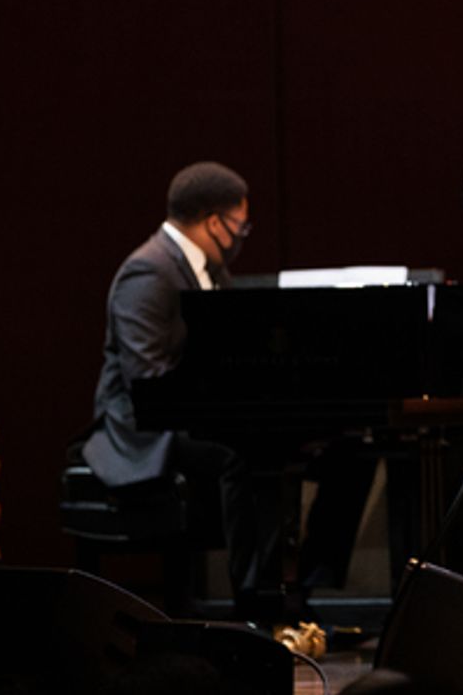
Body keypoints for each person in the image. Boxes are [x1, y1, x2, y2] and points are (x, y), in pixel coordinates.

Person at [80, 161, 370, 618]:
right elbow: (146, 379)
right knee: (240, 452)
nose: (241, 236)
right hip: (143, 429)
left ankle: (308, 587)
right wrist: (225, 407)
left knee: (350, 448)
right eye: (240, 225)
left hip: (193, 414)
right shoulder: (148, 271)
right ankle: (252, 600)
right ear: (214, 222)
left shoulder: (207, 270)